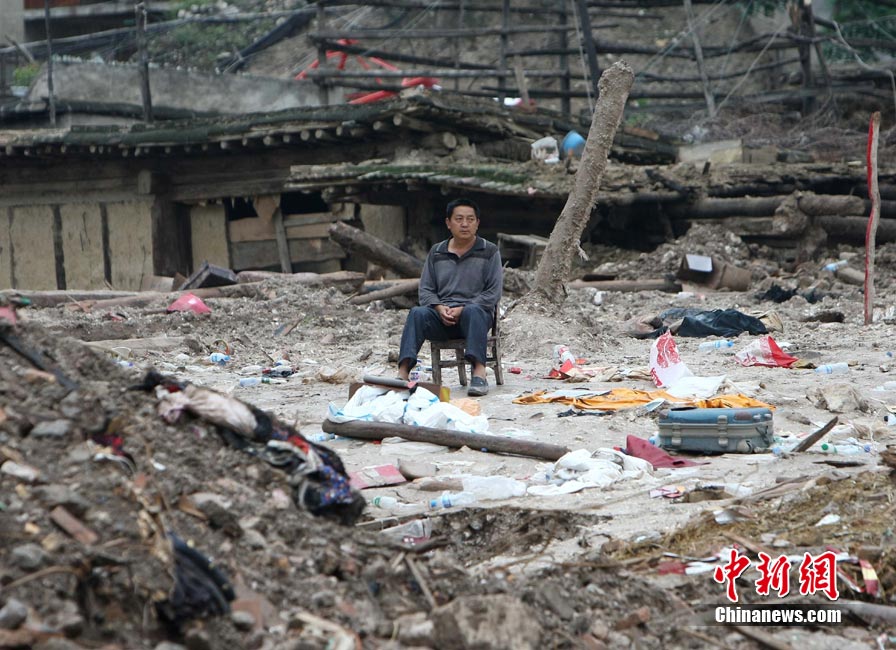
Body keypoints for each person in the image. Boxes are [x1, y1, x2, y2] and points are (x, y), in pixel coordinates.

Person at [397, 198, 502, 396]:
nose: (465, 224)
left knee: (473, 310)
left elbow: (493, 292)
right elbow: (426, 290)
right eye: (459, 219)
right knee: (417, 313)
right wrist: (438, 308)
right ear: (448, 223)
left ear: (477, 223)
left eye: (470, 219)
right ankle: (402, 373)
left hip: (474, 318)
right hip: (442, 318)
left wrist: (463, 308)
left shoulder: (489, 251)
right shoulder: (437, 252)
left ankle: (479, 374)